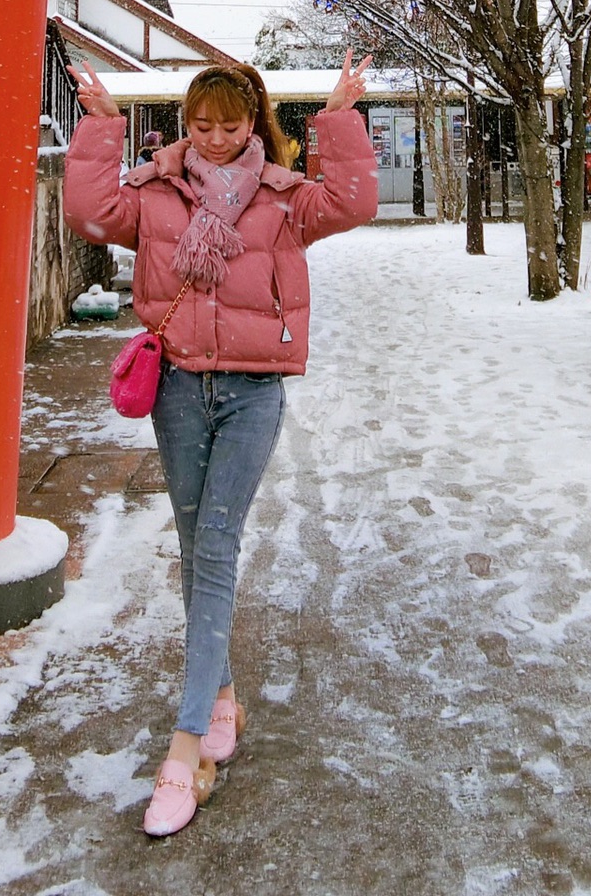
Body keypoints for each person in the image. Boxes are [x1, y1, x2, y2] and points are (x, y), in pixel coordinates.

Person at [64, 50, 377, 838]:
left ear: (252, 125)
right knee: (195, 539)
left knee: (215, 547)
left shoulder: (283, 198)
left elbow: (354, 200)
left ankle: (185, 748)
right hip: (175, 387)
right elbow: (91, 213)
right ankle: (223, 698)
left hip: (252, 391)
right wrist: (102, 127)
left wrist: (338, 112)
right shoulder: (156, 191)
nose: (211, 138)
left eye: (228, 126)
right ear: (184, 123)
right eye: (199, 125)